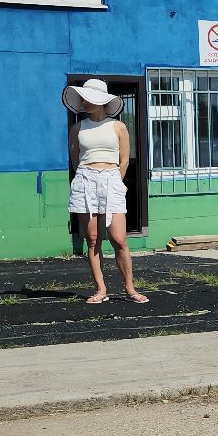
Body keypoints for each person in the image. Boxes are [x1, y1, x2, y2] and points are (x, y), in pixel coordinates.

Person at [64, 79, 147, 304]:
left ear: (100, 101)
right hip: (86, 180)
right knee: (92, 239)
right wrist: (86, 178)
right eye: (82, 98)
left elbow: (124, 161)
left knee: (119, 238)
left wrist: (116, 183)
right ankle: (100, 289)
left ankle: (130, 288)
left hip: (111, 180)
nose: (83, 101)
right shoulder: (77, 128)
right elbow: (75, 158)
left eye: (87, 97)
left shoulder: (118, 126)